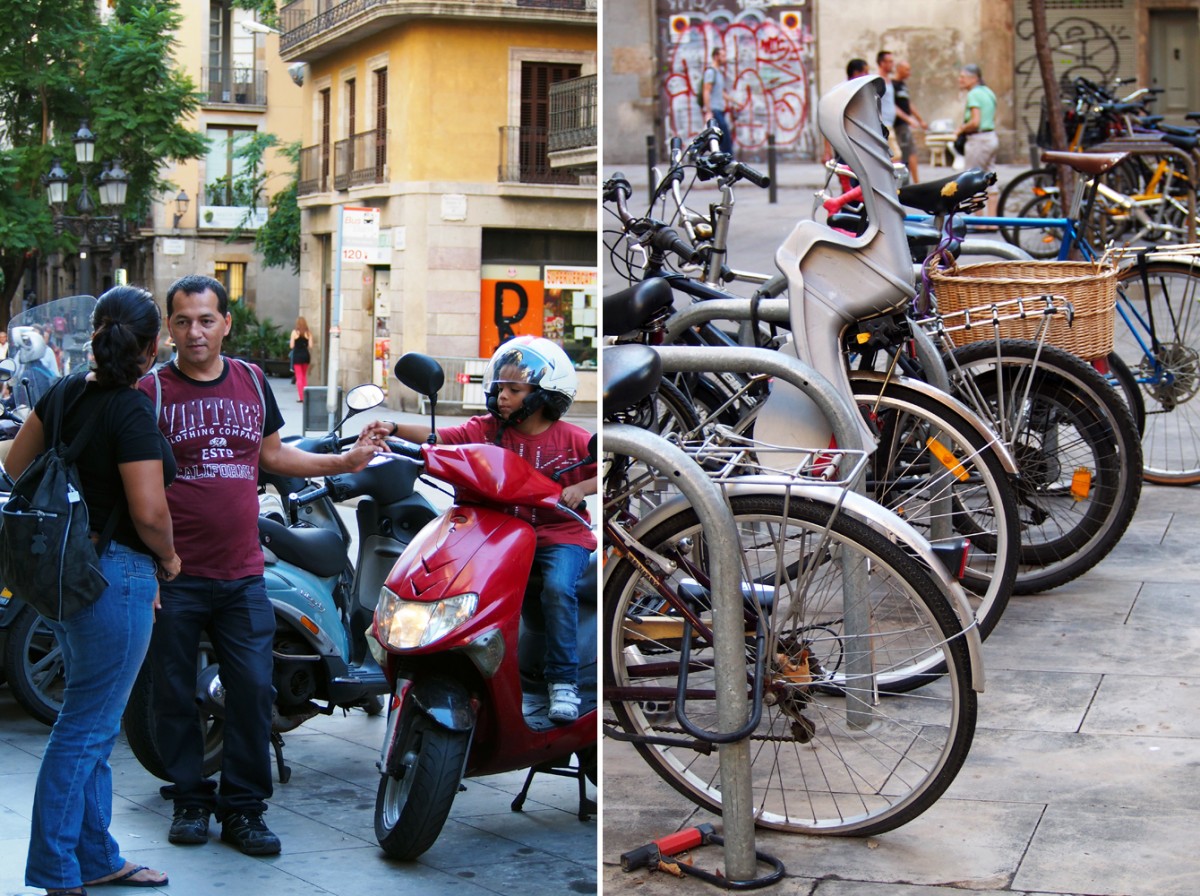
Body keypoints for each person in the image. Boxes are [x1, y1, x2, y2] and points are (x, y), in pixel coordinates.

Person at [139, 275, 381, 857]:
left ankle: (244, 810)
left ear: (226, 323)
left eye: (205, 319)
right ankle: (191, 799)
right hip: (173, 573)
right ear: (168, 329)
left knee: (252, 689)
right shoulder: (152, 393)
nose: (194, 331)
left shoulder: (249, 380)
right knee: (173, 692)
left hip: (245, 570)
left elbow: (273, 455)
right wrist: (146, 566)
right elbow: (134, 485)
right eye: (182, 321)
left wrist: (343, 459)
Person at [10, 286, 181, 896]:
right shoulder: (129, 409)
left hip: (65, 575)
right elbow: (150, 511)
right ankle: (58, 869)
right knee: (84, 727)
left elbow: (13, 469)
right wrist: (168, 559)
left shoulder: (62, 393)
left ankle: (96, 854)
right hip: (117, 575)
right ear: (152, 345)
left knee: (94, 723)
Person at [364, 336, 597, 723]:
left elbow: (608, 467)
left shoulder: (571, 439)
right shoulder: (486, 429)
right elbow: (441, 440)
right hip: (499, 535)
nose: (502, 397)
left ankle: (563, 681)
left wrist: (581, 488)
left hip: (559, 536)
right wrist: (391, 426)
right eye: (499, 388)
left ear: (546, 394)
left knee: (557, 589)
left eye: (514, 390)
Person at [955, 63, 999, 217]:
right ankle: (993, 221)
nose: (960, 80)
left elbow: (975, 122)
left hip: (978, 140)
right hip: (991, 137)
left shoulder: (973, 94)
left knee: (973, 181)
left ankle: (980, 222)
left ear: (973, 78)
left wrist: (960, 129)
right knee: (990, 180)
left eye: (962, 77)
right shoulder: (989, 92)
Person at [893, 59, 927, 182]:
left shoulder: (903, 85)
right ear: (899, 69)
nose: (909, 72)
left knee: (910, 151)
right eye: (907, 69)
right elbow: (892, 106)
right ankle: (910, 181)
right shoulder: (892, 85)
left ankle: (914, 181)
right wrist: (907, 119)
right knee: (906, 153)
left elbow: (908, 104)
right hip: (898, 124)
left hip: (905, 124)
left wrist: (920, 120)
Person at [700, 47, 734, 156]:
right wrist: (708, 111)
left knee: (721, 138)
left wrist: (734, 101)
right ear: (716, 57)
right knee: (724, 138)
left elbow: (720, 92)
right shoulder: (710, 72)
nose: (725, 59)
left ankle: (725, 160)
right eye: (722, 56)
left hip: (720, 109)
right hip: (715, 110)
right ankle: (727, 160)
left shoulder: (718, 73)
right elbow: (706, 91)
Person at [876, 50, 898, 160]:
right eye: (889, 62)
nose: (892, 64)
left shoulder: (889, 80)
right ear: (882, 63)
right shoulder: (878, 80)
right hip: (883, 124)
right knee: (895, 155)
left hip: (890, 123)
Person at [289, 316, 312, 403]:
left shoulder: (294, 332)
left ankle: (301, 397)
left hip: (297, 356)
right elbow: (310, 346)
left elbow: (291, 346)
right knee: (304, 377)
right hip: (306, 356)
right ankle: (306, 396)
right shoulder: (308, 333)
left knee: (299, 377)